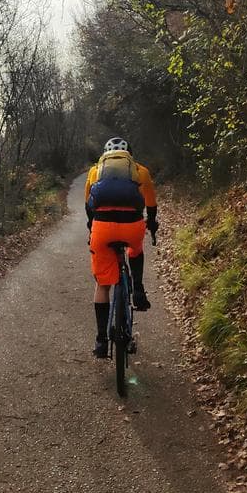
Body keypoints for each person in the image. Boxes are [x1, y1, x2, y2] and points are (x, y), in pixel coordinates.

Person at [84, 137, 158, 358]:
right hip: (132, 227)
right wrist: (151, 226)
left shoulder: (94, 171)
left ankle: (101, 341)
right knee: (135, 250)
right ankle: (137, 288)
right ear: (129, 155)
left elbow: (89, 206)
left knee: (103, 285)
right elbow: (151, 205)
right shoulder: (140, 171)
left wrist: (92, 229)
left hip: (103, 229)